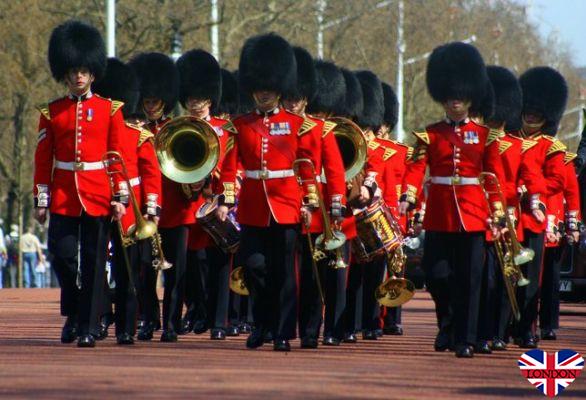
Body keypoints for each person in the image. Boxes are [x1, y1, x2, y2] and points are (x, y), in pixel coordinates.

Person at [399, 42, 505, 358]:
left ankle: (466, 339)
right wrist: (408, 196)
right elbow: (416, 168)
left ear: (470, 97)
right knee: (436, 276)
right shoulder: (429, 134)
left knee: (471, 281)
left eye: (460, 94)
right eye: (450, 94)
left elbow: (493, 177)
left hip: (473, 214)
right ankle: (447, 323)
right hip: (439, 215)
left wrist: (497, 212)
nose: (454, 99)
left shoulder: (486, 136)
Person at [216, 33, 315, 352]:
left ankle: (283, 331)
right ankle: (262, 325)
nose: (263, 93)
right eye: (259, 88)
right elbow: (230, 164)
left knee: (286, 274)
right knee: (256, 267)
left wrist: (310, 199)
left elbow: (306, 166)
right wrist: (226, 198)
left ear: (279, 88)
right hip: (254, 207)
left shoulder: (295, 124)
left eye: (269, 88)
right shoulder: (240, 124)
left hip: (286, 205)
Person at [33, 20, 125, 347]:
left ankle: (87, 326)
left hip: (99, 194)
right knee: (62, 255)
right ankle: (73, 310)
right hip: (63, 195)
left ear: (93, 73)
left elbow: (116, 157)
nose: (78, 76)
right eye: (72, 71)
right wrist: (42, 200)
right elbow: (43, 160)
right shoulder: (52, 112)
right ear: (65, 74)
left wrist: (121, 197)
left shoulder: (109, 110)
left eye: (83, 70)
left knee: (94, 262)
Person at [93, 57, 162, 345]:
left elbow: (150, 173)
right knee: (94, 267)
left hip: (130, 210)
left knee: (128, 270)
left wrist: (151, 207)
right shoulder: (94, 130)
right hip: (96, 201)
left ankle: (126, 325)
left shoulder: (138, 135)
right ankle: (93, 319)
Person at [282, 47, 347, 348]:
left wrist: (335, 208)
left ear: (306, 98)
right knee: (283, 273)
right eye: (289, 97)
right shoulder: (276, 129)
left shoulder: (321, 130)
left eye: (297, 98)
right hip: (281, 206)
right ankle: (280, 328)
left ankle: (310, 330)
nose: (293, 103)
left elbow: (334, 172)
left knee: (312, 275)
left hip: (315, 210)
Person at [176, 49, 232, 340]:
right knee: (194, 261)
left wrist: (222, 193)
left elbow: (233, 164)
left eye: (201, 99)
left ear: (211, 99)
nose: (196, 104)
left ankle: (219, 320)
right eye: (191, 99)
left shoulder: (225, 130)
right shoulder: (180, 128)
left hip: (218, 201)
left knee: (220, 262)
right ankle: (198, 310)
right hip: (191, 202)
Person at [514, 66, 568, 348]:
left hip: (533, 216)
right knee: (505, 276)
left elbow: (558, 181)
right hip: (509, 218)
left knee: (531, 279)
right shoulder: (508, 141)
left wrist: (533, 191)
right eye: (528, 110)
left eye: (537, 112)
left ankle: (526, 328)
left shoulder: (551, 146)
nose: (531, 115)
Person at [129, 52, 180, 341]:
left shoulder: (177, 128)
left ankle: (172, 322)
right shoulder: (135, 131)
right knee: (145, 269)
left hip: (175, 207)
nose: (150, 107)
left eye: (155, 101)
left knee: (175, 271)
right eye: (146, 101)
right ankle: (149, 317)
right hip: (144, 209)